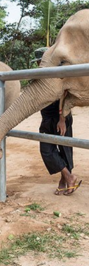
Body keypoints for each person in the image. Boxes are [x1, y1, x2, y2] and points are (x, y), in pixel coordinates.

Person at [33, 47, 82, 196]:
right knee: (47, 150)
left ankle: (64, 181)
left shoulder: (59, 74)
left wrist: (62, 119)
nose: (39, 64)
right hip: (47, 117)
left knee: (65, 149)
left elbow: (65, 95)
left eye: (40, 61)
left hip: (61, 116)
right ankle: (69, 176)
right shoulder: (42, 76)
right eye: (38, 62)